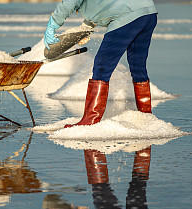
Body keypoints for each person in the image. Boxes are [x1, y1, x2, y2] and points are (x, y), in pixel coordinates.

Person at [44, 0, 158, 128]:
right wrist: (86, 26)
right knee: (138, 66)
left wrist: (53, 24)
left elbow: (69, 3)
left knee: (102, 66)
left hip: (127, 17)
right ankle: (146, 116)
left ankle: (90, 120)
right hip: (148, 12)